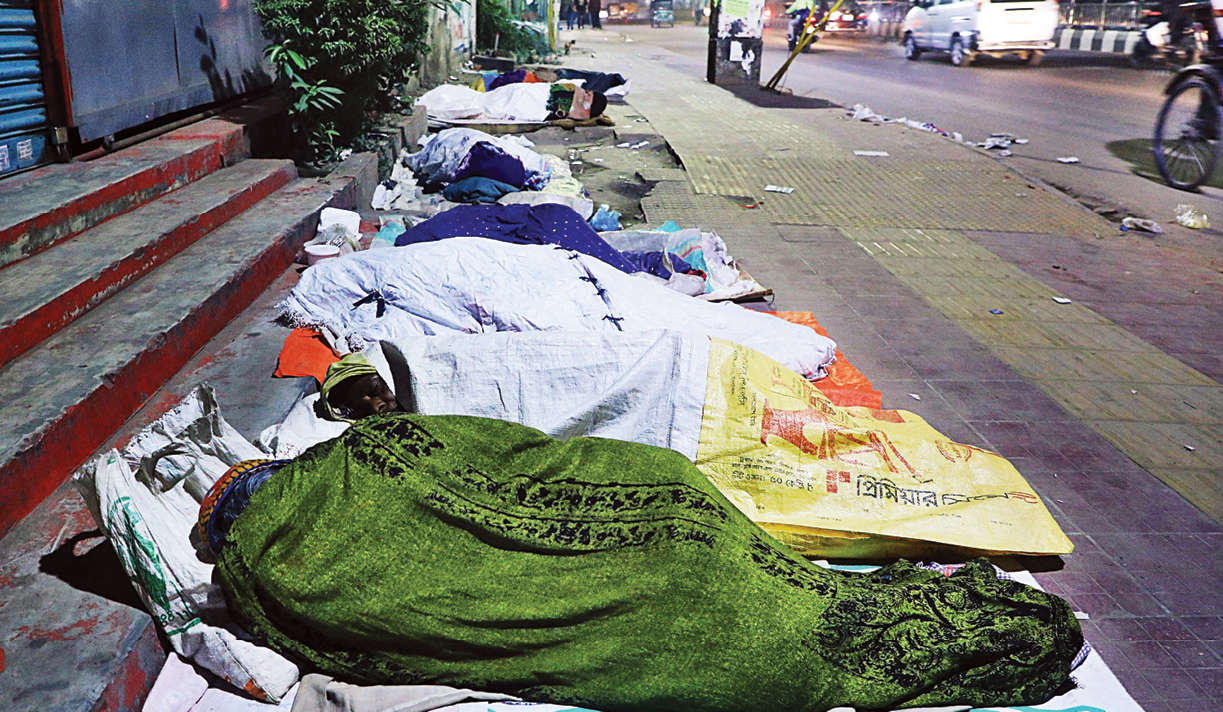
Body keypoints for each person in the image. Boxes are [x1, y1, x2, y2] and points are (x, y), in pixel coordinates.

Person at [205, 413, 1084, 712]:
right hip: (686, 549)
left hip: (686, 556)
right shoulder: (373, 450)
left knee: (655, 504)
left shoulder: (370, 451)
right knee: (654, 496)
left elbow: (534, 462)